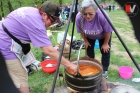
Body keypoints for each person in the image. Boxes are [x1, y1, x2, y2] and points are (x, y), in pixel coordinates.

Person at [0, 1, 77, 93]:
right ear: (44, 14)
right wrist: (70, 65)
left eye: (55, 21)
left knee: (13, 74)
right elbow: (49, 51)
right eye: (52, 20)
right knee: (20, 75)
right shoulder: (37, 23)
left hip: (6, 37)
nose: (52, 24)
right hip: (5, 44)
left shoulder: (33, 12)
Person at [76, 0, 113, 78]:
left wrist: (106, 43)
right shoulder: (79, 17)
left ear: (96, 11)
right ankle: (90, 68)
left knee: (105, 51)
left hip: (103, 35)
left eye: (90, 14)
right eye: (85, 14)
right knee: (89, 51)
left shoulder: (102, 16)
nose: (88, 16)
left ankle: (105, 70)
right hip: (89, 36)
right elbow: (81, 31)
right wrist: (85, 41)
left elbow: (108, 31)